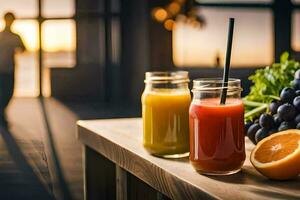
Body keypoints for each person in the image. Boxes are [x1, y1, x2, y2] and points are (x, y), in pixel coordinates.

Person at [0, 12, 25, 127]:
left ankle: (2, 114)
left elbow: (23, 49)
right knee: (3, 93)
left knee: (9, 93)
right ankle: (1, 116)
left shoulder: (15, 36)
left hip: (10, 69)